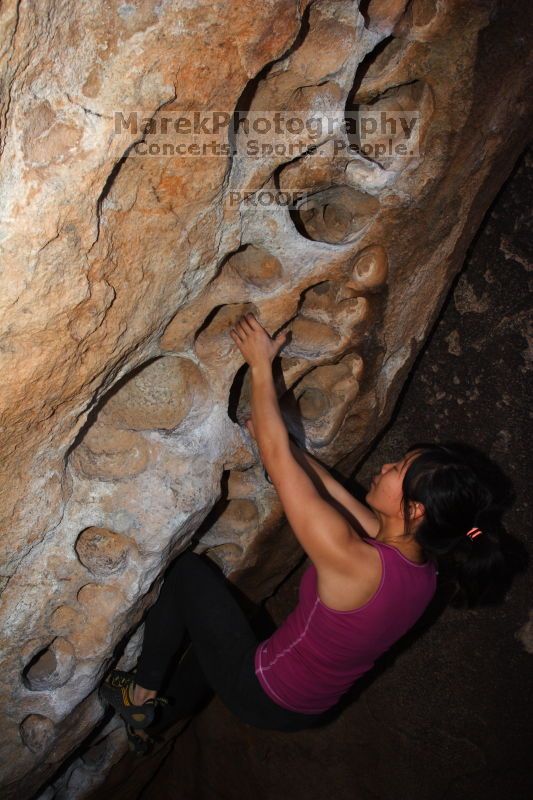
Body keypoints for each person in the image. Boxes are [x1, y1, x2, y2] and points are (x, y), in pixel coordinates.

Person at [100, 312, 509, 753]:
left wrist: (260, 364)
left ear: (415, 508)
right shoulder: (422, 566)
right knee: (235, 627)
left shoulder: (353, 560)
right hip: (309, 705)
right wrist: (290, 449)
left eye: (398, 470)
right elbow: (327, 488)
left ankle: (138, 695)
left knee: (186, 575)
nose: (386, 467)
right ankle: (156, 720)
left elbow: (278, 463)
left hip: (263, 692)